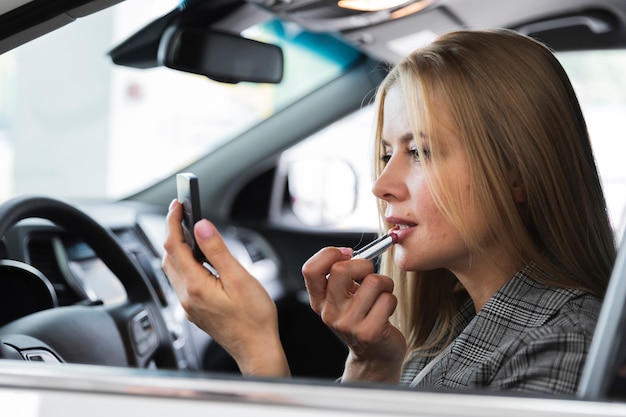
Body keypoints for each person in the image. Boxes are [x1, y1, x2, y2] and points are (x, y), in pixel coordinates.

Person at [162, 29, 616, 395]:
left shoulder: (559, 346)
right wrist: (371, 364)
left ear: (517, 173)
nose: (382, 186)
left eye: (419, 152)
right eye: (385, 156)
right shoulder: (452, 320)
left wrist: (256, 351)